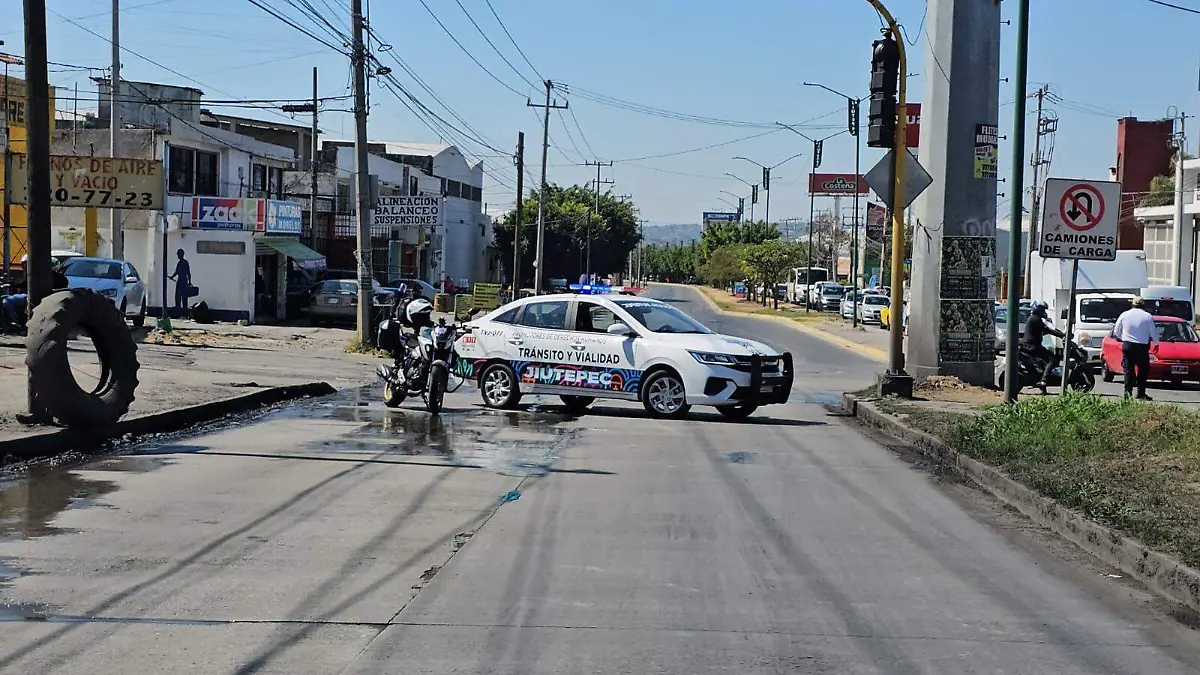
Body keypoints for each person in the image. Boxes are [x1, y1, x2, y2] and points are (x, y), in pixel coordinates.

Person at [1112, 296, 1160, 401]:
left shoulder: (1124, 314)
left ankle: (1127, 393)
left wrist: (1123, 339)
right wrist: (1156, 343)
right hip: (1142, 347)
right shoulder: (1147, 316)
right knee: (1143, 370)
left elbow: (1116, 331)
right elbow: (1153, 332)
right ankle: (1141, 393)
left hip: (1128, 345)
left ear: (1132, 304)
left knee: (1128, 369)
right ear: (1143, 305)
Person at [1022, 301, 1064, 391]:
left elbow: (1042, 331)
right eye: (1042, 309)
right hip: (1033, 346)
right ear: (1038, 309)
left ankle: (1043, 386)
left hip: (1031, 345)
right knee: (1052, 359)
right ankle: (1044, 381)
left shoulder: (1033, 318)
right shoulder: (1035, 319)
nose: (1044, 311)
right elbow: (1048, 330)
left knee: (1045, 360)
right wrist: (1062, 335)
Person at [167, 249, 191, 315]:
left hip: (181, 281)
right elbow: (188, 273)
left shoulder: (182, 263)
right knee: (182, 297)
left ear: (181, 254)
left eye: (178, 254)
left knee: (179, 296)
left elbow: (179, 272)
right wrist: (189, 282)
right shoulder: (184, 262)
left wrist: (172, 277)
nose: (177, 255)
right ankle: (182, 311)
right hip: (183, 281)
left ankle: (181, 311)